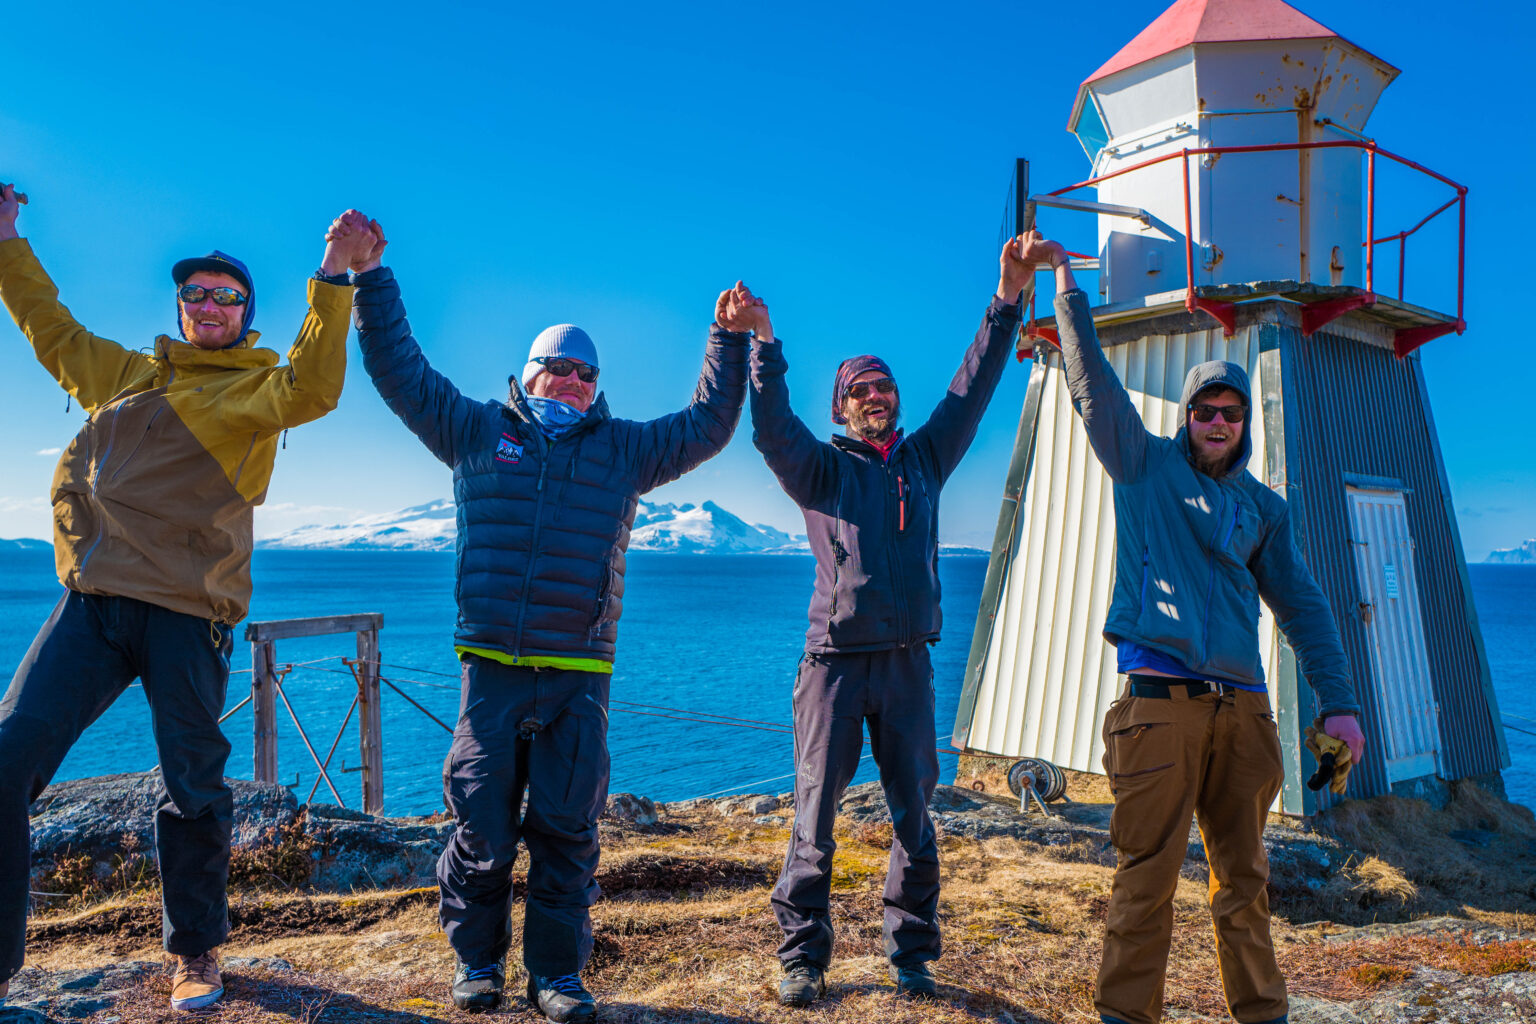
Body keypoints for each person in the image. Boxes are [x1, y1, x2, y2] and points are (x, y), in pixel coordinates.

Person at [342, 225, 751, 1018]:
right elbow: (398, 370)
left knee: (567, 831)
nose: (569, 380)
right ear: (527, 374)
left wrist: (725, 340)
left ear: (597, 387)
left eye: (584, 372)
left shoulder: (627, 452)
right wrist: (374, 277)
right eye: (555, 367)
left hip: (579, 674)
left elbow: (707, 424)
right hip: (491, 669)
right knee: (482, 826)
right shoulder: (474, 431)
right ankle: (477, 966)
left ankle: (557, 976)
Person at [0, 185, 369, 1012]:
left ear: (246, 314)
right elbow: (49, 329)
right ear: (180, 303)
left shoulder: (256, 392)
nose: (208, 304)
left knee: (193, 786)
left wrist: (334, 275)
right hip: (92, 605)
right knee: (5, 761)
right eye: (195, 293)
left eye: (226, 296)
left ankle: (196, 952)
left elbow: (315, 386)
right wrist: (6, 241)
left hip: (185, 616)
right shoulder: (129, 375)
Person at [1027, 229, 1366, 1024]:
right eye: (1207, 410)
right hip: (1159, 708)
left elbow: (1305, 608)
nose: (1219, 421)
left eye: (1233, 412)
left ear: (1246, 423)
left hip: (1244, 714)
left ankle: (1262, 1015)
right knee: (1145, 878)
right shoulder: (1143, 466)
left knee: (1244, 882)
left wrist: (1339, 703)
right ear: (1188, 416)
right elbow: (1090, 387)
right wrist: (1068, 288)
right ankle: (1125, 1016)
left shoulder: (1263, 510)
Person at [741, 237, 1029, 1005]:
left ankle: (911, 953)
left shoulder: (925, 460)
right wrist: (764, 345)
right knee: (814, 818)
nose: (876, 395)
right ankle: (802, 957)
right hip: (833, 665)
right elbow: (770, 427)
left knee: (915, 816)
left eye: (884, 386)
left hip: (907, 665)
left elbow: (972, 390)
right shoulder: (822, 470)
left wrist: (1005, 301)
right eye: (861, 389)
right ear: (841, 406)